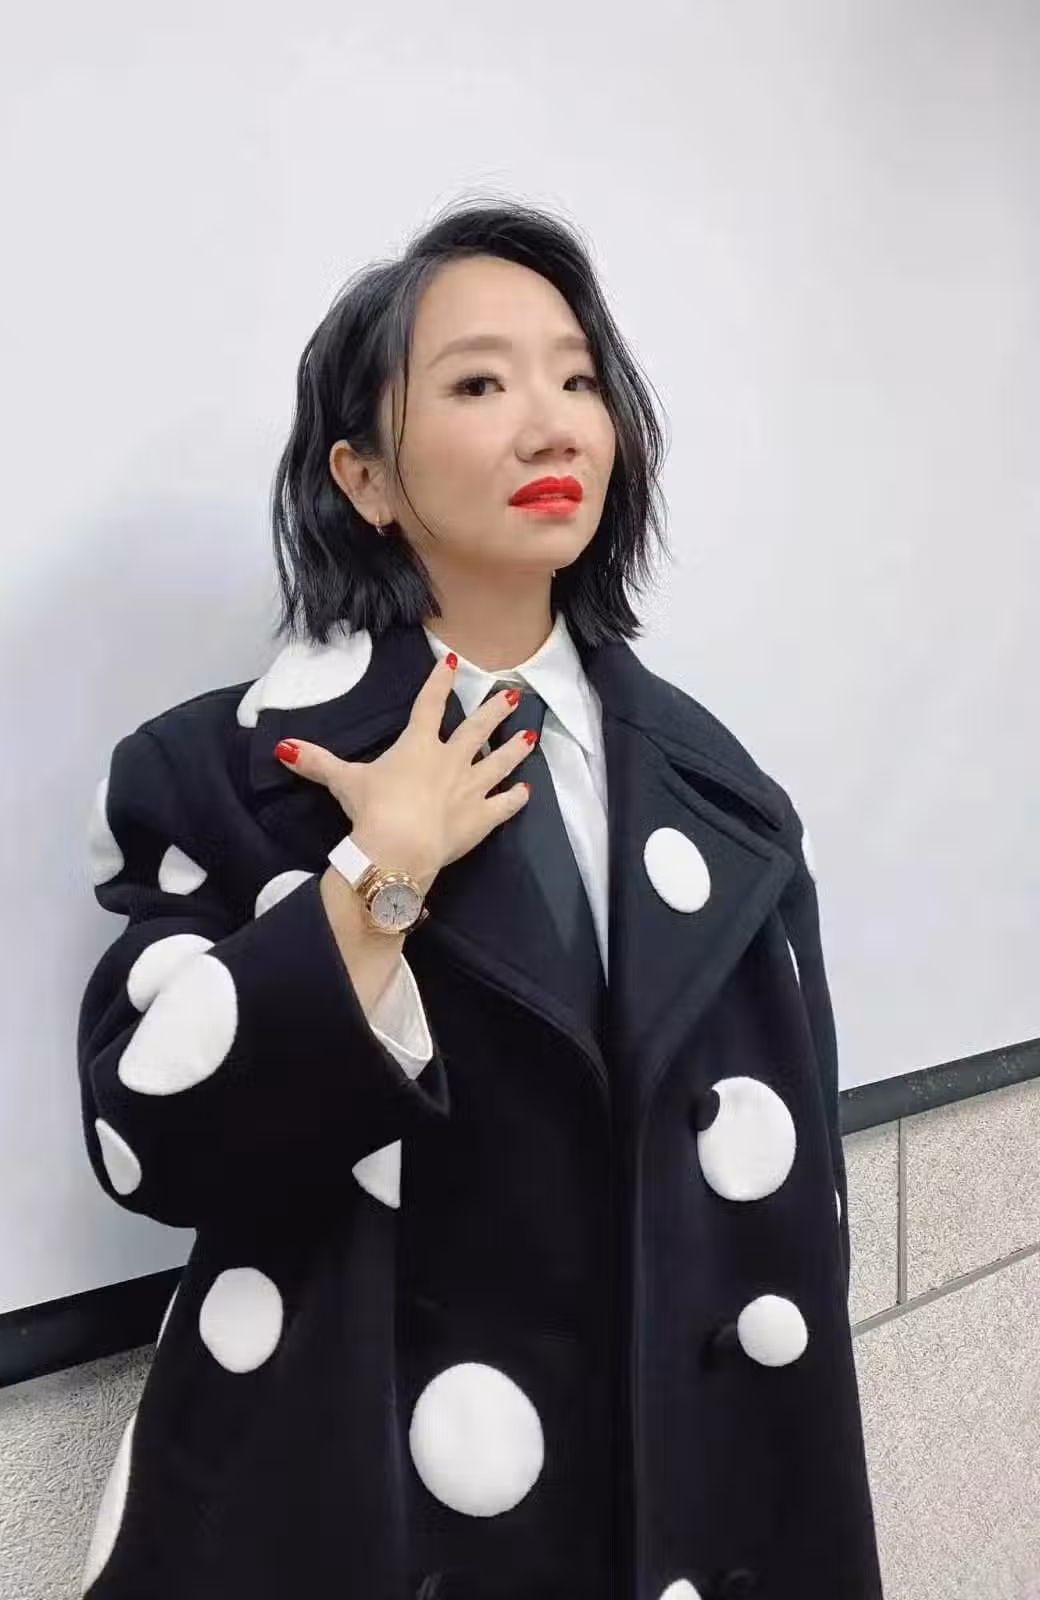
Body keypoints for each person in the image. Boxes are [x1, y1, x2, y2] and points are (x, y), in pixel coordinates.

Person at [77, 199, 883, 1600]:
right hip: (382, 1519)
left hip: (677, 1514)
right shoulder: (231, 774)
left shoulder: (726, 794)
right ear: (365, 476)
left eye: (578, 379)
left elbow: (795, 1216)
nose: (552, 425)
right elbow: (149, 1143)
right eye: (478, 385)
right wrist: (377, 874)